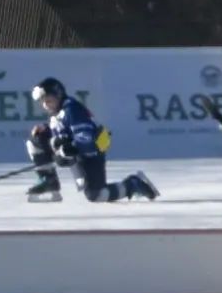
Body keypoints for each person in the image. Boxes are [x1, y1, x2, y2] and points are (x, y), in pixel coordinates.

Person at [24, 77, 157, 203]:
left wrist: (67, 149)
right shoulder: (57, 113)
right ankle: (49, 181)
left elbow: (86, 138)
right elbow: (62, 131)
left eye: (48, 101)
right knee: (37, 138)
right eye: (42, 102)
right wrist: (47, 131)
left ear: (59, 96)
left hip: (91, 154)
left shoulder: (72, 110)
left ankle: (133, 184)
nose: (45, 105)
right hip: (75, 152)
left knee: (97, 195)